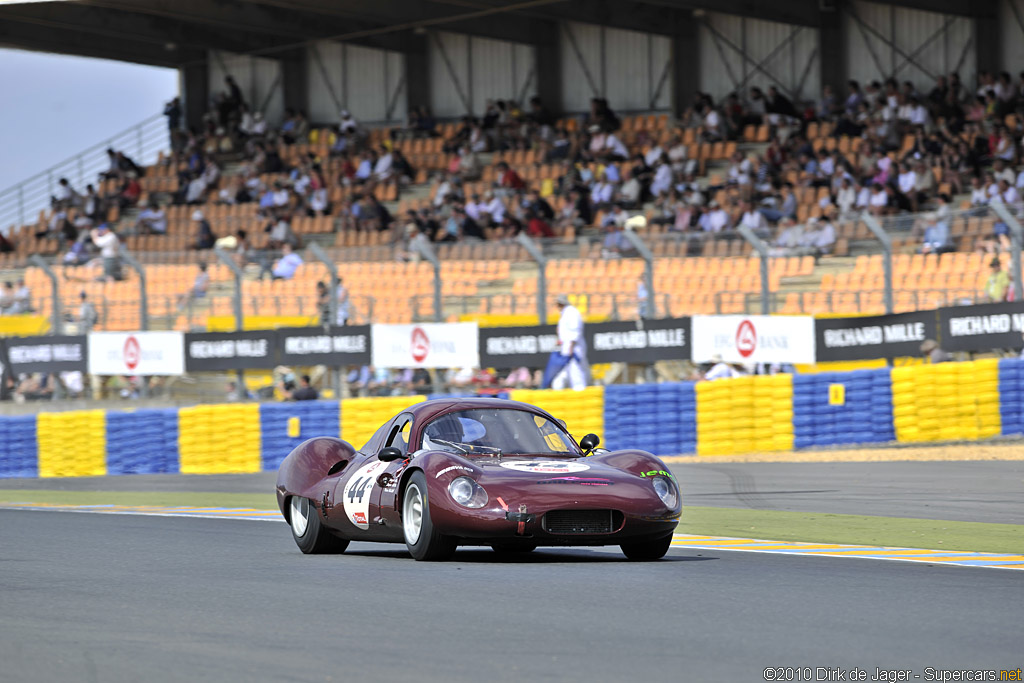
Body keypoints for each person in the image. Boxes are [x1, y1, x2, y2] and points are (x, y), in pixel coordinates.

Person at [551, 294, 589, 391]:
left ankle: (580, 391)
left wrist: (571, 348)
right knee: (566, 372)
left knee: (576, 372)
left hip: (573, 348)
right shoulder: (565, 313)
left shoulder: (572, 312)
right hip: (567, 348)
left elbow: (574, 331)